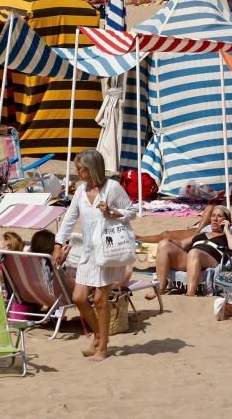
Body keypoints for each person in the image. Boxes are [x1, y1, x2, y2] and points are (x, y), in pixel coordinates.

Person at [54, 150, 137, 362]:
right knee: (79, 298)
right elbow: (69, 219)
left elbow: (132, 211)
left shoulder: (112, 188)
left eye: (80, 168)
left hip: (107, 251)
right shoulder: (81, 192)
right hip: (88, 251)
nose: (77, 172)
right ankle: (99, 335)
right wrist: (57, 243)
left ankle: (103, 347)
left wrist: (112, 212)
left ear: (92, 169)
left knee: (100, 300)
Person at [153, 205, 232, 296]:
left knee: (194, 252)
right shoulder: (202, 234)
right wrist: (167, 240)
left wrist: (226, 230)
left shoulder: (231, 236)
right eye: (213, 215)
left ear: (226, 220)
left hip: (211, 261)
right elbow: (181, 244)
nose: (215, 219)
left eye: (219, 216)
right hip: (192, 259)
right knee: (164, 245)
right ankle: (161, 288)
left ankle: (190, 293)